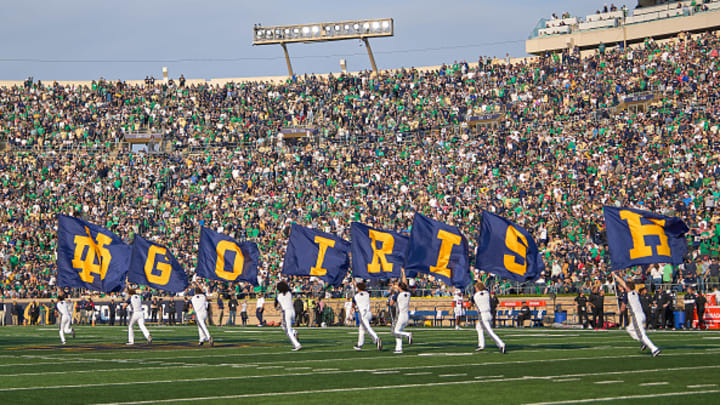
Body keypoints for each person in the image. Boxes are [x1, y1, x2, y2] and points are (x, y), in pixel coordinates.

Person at [613, 273, 660, 357]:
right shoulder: (635, 292)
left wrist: (615, 275)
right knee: (629, 329)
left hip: (636, 316)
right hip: (642, 315)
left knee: (642, 334)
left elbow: (623, 307)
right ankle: (643, 342)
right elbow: (626, 284)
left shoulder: (629, 294)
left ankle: (654, 348)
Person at [472, 282, 506, 354]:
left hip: (483, 315)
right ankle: (481, 345)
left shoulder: (476, 296)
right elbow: (484, 289)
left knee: (489, 332)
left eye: (476, 288)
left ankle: (501, 344)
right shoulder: (487, 293)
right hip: (488, 314)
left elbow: (471, 302)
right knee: (478, 327)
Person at [353, 281, 382, 351]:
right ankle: (359, 344)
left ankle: (376, 338)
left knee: (367, 328)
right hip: (369, 313)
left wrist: (356, 307)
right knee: (361, 329)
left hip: (363, 314)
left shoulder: (356, 296)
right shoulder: (367, 294)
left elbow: (353, 305)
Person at [275, 281, 302, 351]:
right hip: (293, 311)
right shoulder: (289, 293)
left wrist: (277, 308)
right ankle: (294, 332)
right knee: (284, 326)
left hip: (286, 312)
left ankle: (297, 345)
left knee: (288, 330)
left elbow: (277, 304)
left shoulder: (279, 296)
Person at [390, 271, 413, 354]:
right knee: (398, 332)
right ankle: (399, 348)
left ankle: (408, 334)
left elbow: (391, 303)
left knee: (395, 331)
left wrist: (393, 294)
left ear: (400, 288)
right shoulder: (408, 293)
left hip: (400, 315)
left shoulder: (398, 295)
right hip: (407, 315)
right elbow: (405, 285)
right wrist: (403, 273)